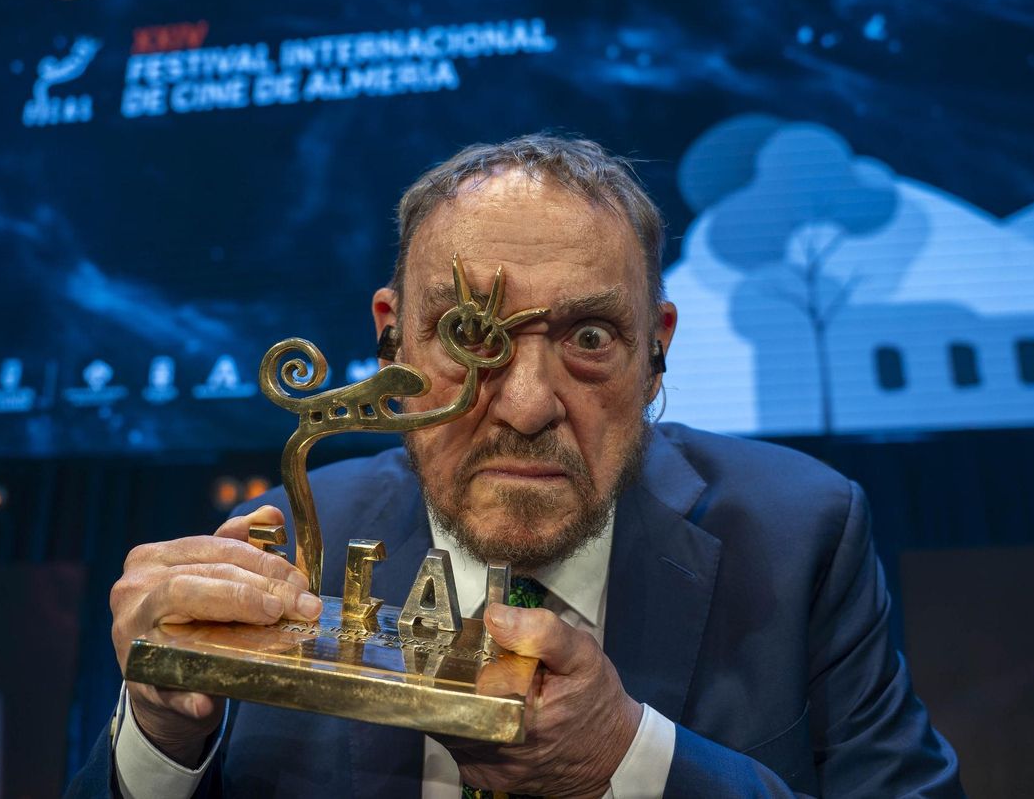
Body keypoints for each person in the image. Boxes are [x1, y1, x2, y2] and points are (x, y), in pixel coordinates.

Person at [68, 135, 964, 797]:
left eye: (590, 337)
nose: (528, 405)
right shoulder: (294, 544)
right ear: (392, 338)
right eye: (469, 336)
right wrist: (162, 735)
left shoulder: (801, 536)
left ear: (655, 352)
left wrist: (627, 760)